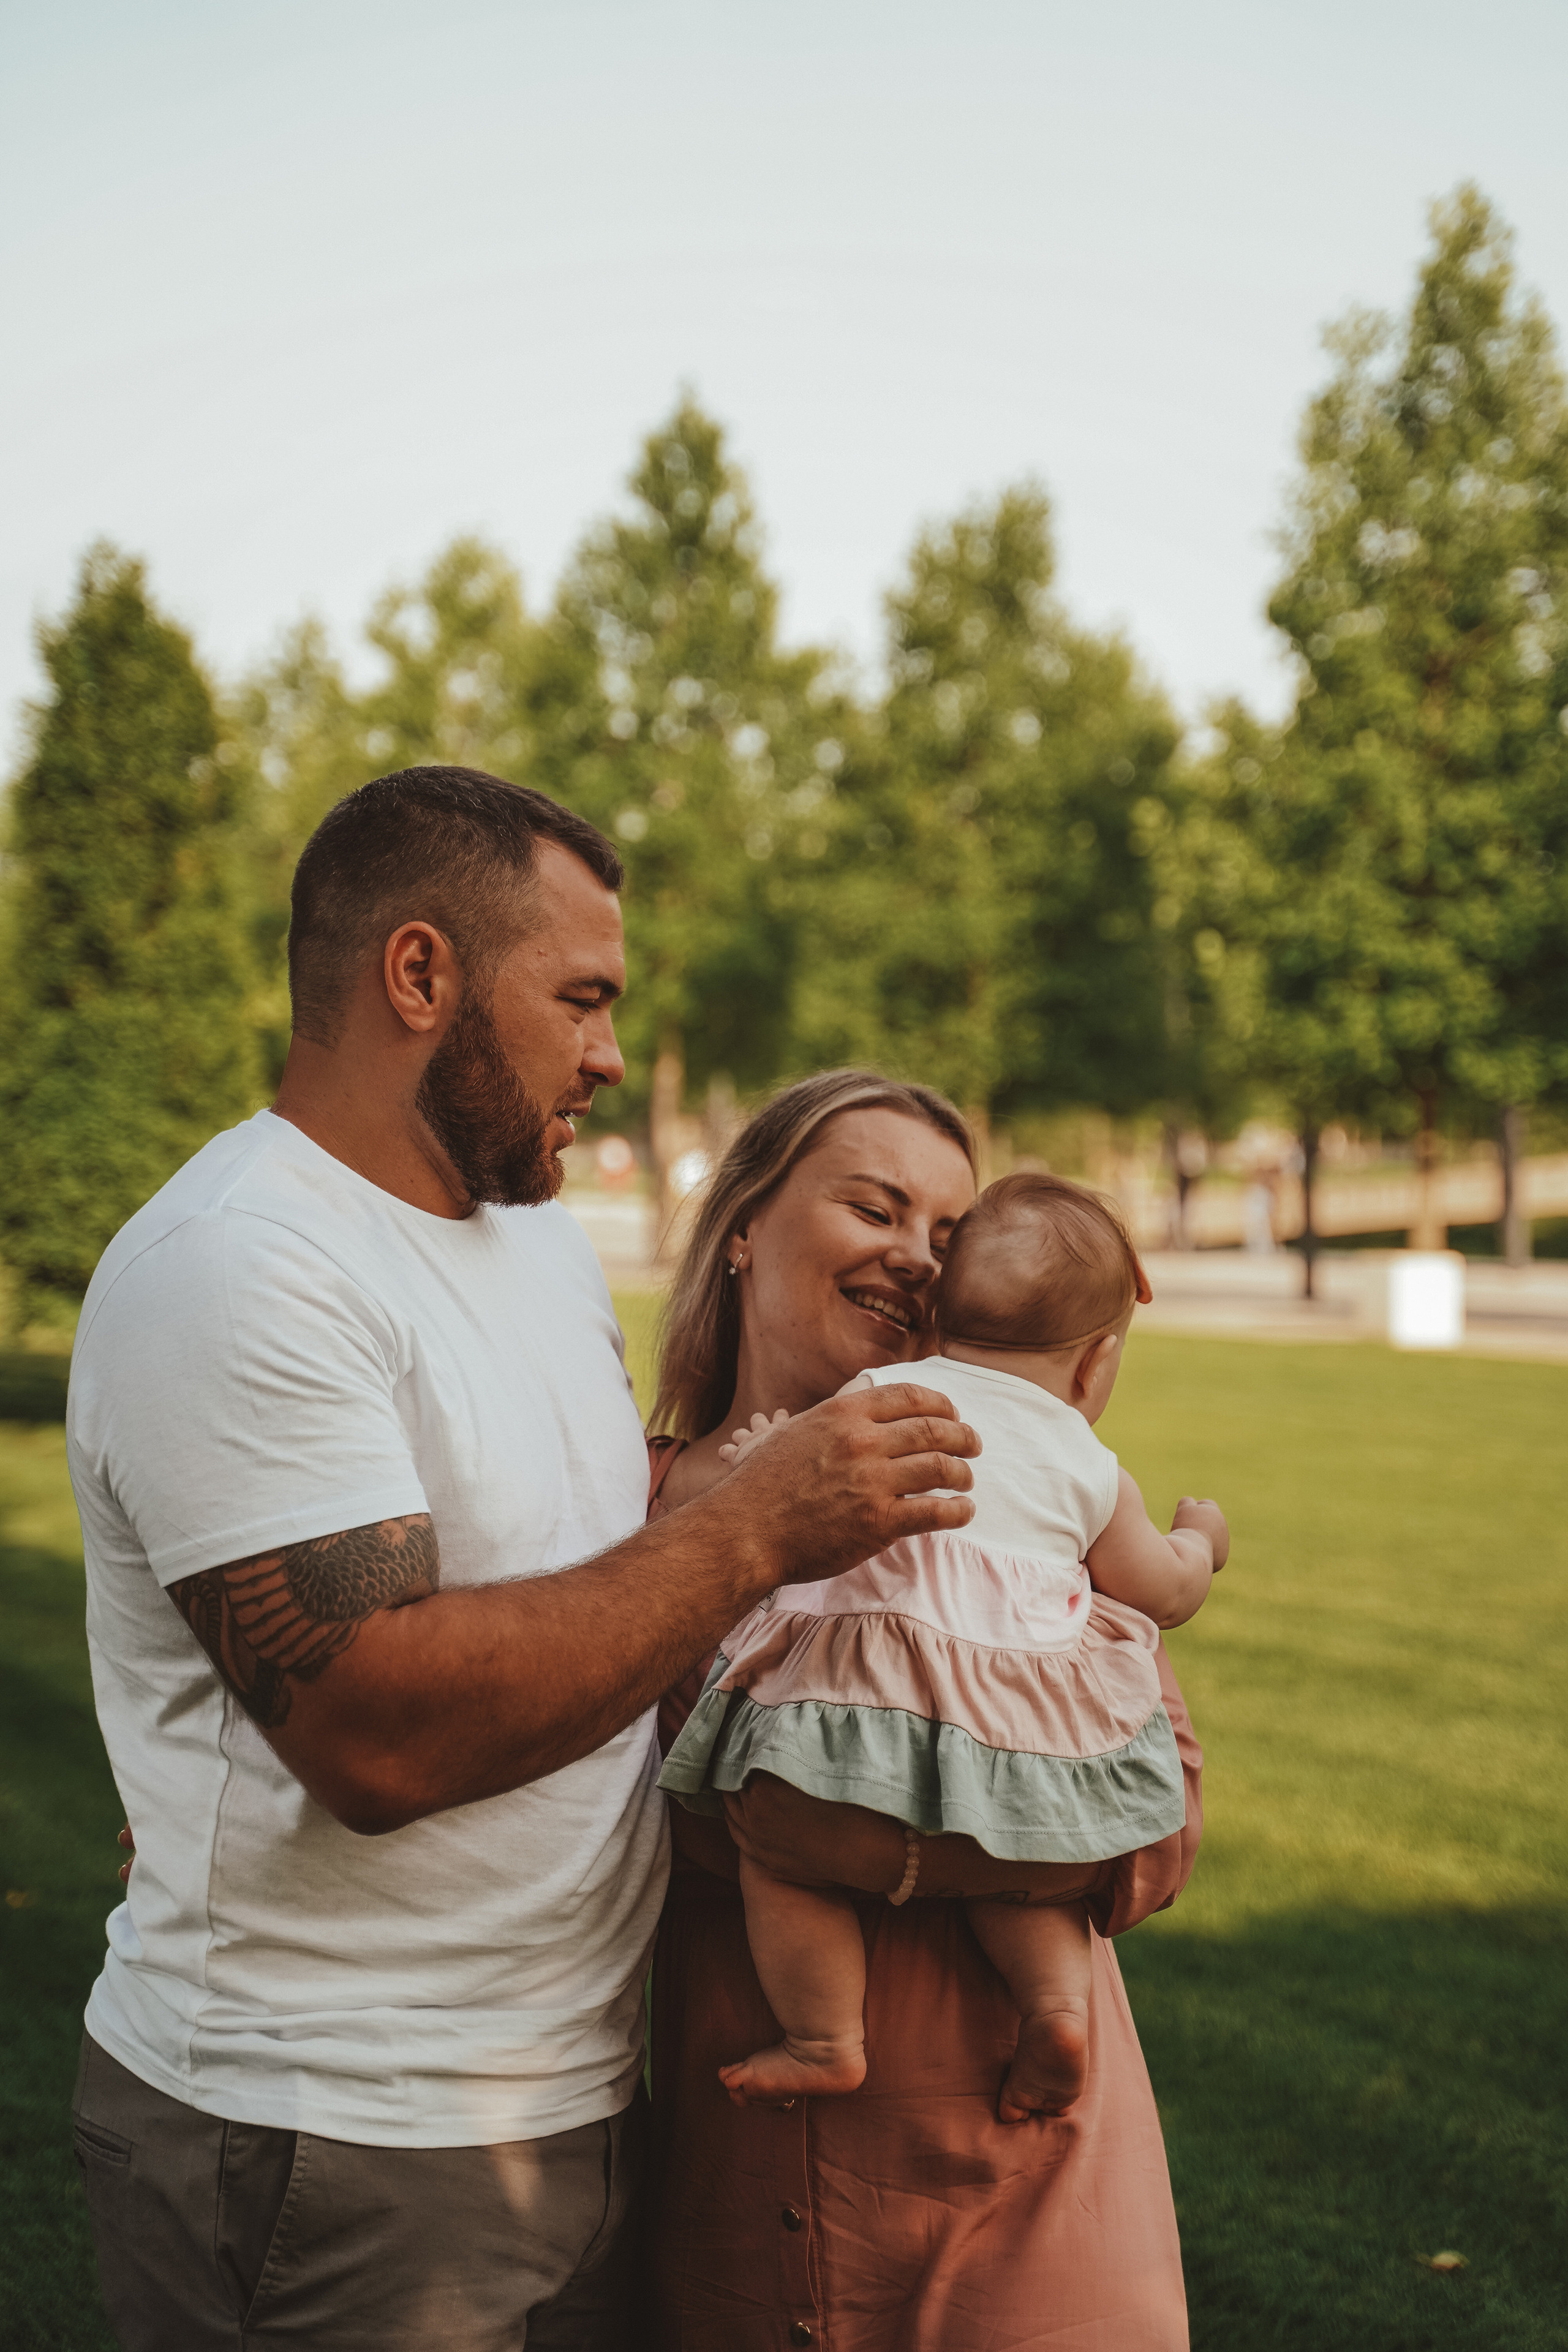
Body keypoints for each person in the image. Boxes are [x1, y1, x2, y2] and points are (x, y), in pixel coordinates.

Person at [66, 767, 983, 2352]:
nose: (612, 1057)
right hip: (333, 2142)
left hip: (569, 2102)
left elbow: (592, 1586)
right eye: (581, 1000)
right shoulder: (242, 1269)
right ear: (419, 976)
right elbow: (377, 1727)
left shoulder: (538, 1239)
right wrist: (763, 1526)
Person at [643, 1073, 1205, 2351]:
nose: (914, 1257)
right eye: (873, 1206)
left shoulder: (997, 1508)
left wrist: (811, 1828)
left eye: (948, 1234)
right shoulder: (618, 1501)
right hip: (729, 2211)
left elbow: (1152, 1825)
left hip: (1019, 2201)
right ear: (740, 1224)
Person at [661, 1171, 1229, 2121]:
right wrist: (1200, 1540)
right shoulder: (1092, 1469)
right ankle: (1056, 2012)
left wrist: (764, 1455)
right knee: (1026, 1889)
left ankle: (825, 2039)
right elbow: (1165, 1595)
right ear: (1093, 1368)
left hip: (836, 1775)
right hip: (1020, 1783)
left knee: (776, 1857)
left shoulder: (878, 1396)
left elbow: (789, 1484)